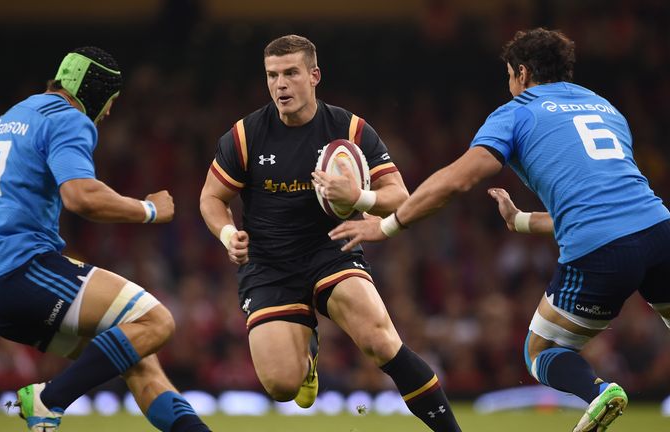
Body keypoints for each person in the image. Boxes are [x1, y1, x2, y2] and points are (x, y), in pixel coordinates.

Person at [330, 27, 670, 431]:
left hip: (601, 250)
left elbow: (457, 180)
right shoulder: (606, 108)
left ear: (522, 73)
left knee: (542, 350)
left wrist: (386, 226)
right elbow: (609, 205)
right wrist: (521, 221)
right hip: (659, 230)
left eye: (510, 75)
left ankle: (599, 393)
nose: (510, 84)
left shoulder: (518, 111)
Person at [0, 47, 211, 432]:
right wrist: (149, 209)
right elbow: (80, 197)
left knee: (140, 362)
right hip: (26, 271)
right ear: (93, 92)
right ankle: (48, 400)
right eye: (110, 101)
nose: (107, 113)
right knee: (156, 321)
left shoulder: (3, 123)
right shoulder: (69, 119)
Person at [199, 35, 462, 432]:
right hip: (269, 264)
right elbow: (211, 198)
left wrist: (359, 195)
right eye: (272, 75)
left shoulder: (350, 129)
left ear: (314, 75)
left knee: (381, 340)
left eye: (291, 73)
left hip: (332, 249)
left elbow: (399, 197)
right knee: (281, 386)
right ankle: (308, 354)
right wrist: (225, 234)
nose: (280, 84)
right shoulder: (245, 134)